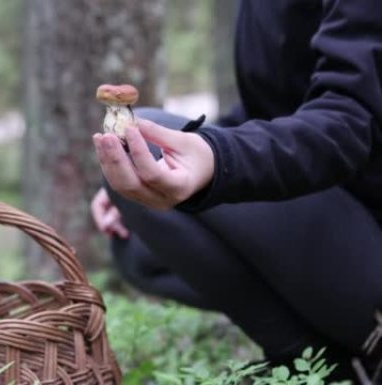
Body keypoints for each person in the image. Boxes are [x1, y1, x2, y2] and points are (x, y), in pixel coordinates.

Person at [90, 0, 382, 382]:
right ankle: (316, 364)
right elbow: (271, 110)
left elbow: (352, 119)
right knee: (136, 245)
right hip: (335, 218)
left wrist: (218, 157)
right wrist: (167, 165)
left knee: (147, 131)